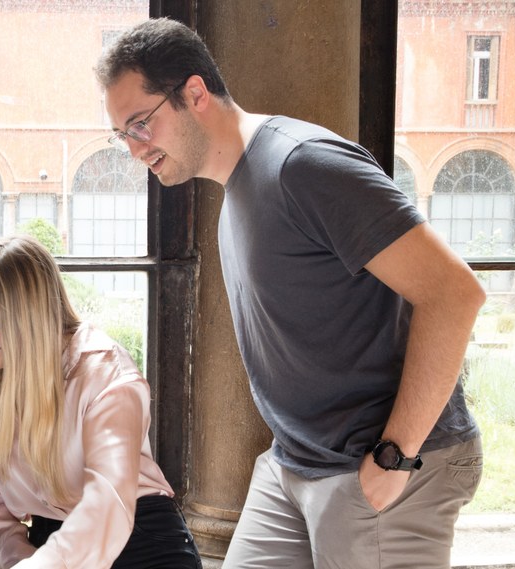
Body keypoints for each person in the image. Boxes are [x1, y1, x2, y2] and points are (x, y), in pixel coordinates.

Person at [98, 18, 486, 568]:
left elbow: (454, 293)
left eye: (140, 124)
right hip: (292, 465)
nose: (135, 149)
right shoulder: (238, 188)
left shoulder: (303, 164)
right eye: (122, 136)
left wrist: (395, 455)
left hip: (378, 464)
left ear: (195, 93)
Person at [0, 235, 201, 569]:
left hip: (140, 544)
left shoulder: (104, 373)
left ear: (35, 320)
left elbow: (107, 503)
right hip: (49, 544)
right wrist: (16, 553)